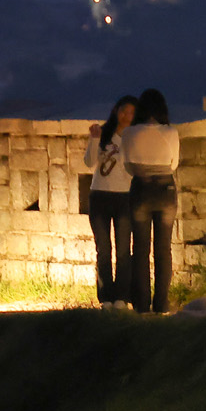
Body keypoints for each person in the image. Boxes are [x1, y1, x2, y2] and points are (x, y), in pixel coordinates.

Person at [121, 88, 180, 314]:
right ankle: (162, 303)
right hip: (165, 189)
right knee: (163, 249)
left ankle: (142, 304)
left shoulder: (129, 134)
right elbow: (174, 164)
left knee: (141, 248)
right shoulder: (171, 133)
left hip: (141, 190)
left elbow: (127, 166)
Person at [85, 95, 137, 307]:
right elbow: (89, 162)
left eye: (132, 112)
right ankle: (105, 296)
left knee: (124, 249)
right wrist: (94, 139)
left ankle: (122, 297)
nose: (126, 116)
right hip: (100, 195)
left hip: (125, 196)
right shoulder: (104, 134)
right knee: (103, 249)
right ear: (116, 111)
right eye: (124, 111)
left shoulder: (134, 138)